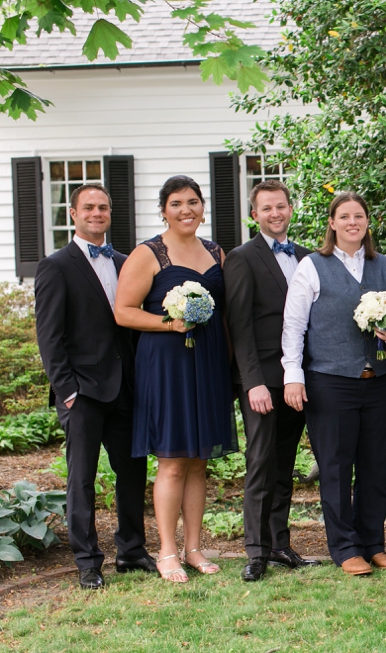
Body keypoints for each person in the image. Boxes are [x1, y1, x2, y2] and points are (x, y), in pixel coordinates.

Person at [115, 175, 237, 583]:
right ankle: (166, 550)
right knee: (171, 462)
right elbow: (124, 311)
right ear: (164, 210)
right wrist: (169, 324)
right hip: (166, 363)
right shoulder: (149, 254)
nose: (186, 210)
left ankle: (194, 548)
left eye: (193, 202)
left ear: (203, 207)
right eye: (176, 203)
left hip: (209, 362)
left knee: (199, 462)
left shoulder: (216, 251)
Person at [35, 184, 156, 590]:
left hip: (125, 388)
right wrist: (67, 389)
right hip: (82, 392)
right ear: (73, 213)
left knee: (132, 473)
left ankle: (132, 550)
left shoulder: (125, 262)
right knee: (81, 479)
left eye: (103, 207)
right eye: (89, 207)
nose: (97, 213)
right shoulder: (56, 266)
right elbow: (49, 337)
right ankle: (87, 561)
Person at [282, 192, 386, 576]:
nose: (353, 222)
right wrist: (293, 376)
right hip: (330, 381)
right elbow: (294, 325)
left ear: (368, 222)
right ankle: (346, 547)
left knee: (377, 466)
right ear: (332, 223)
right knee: (335, 467)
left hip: (379, 380)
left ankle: (373, 543)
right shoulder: (312, 266)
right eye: (344, 216)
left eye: (360, 216)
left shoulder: (385, 265)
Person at [225, 180, 319, 583]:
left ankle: (280, 544)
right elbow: (239, 326)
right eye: (266, 209)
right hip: (262, 380)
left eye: (280, 206)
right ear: (254, 215)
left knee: (284, 464)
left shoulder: (307, 257)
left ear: (290, 209)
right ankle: (255, 551)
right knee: (261, 463)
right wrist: (252, 382)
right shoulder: (242, 258)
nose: (275, 214)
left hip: (297, 377)